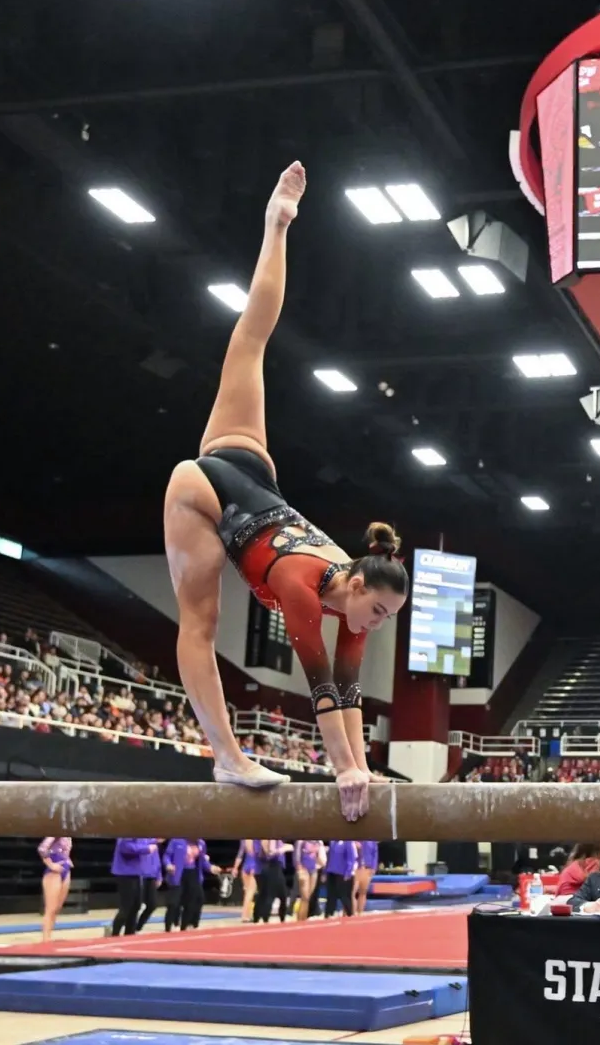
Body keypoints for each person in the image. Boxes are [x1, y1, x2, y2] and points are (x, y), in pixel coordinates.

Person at [163, 161, 409, 822]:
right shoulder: (305, 585)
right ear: (357, 588)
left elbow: (350, 692)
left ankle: (274, 226)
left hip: (245, 467)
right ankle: (224, 752)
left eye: (384, 619)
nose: (377, 627)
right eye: (380, 614)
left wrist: (360, 768)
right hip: (201, 494)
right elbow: (320, 684)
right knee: (201, 622)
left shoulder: (355, 601)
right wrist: (345, 770)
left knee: (250, 341)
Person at [163, 839, 219, 932]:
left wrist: (211, 867)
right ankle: (169, 926)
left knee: (192, 902)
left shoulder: (201, 843)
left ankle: (185, 926)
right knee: (174, 902)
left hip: (193, 873)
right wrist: (168, 865)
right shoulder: (176, 841)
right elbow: (166, 856)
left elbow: (203, 860)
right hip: (178, 873)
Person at [110, 838, 162, 936]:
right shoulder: (127, 834)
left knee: (136, 906)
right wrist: (146, 849)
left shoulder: (140, 835)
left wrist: (155, 840)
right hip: (125, 873)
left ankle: (130, 933)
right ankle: (114, 934)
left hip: (137, 873)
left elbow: (147, 841)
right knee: (126, 907)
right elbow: (124, 847)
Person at [38, 837, 73, 943]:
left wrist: (68, 860)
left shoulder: (68, 834)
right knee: (51, 908)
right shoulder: (56, 831)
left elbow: (64, 850)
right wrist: (51, 864)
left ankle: (49, 936)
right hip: (54, 872)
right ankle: (45, 940)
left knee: (57, 908)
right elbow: (42, 848)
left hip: (65, 869)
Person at [254, 840, 292, 923]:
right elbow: (269, 854)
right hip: (271, 866)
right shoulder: (268, 839)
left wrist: (284, 847)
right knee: (269, 895)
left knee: (282, 895)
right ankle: (264, 919)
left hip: (277, 867)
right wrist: (281, 849)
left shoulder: (277, 839)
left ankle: (280, 918)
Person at [325, 840, 358, 917]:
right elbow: (329, 857)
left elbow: (351, 858)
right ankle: (328, 914)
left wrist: (348, 872)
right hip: (331, 871)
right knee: (331, 895)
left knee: (344, 895)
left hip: (342, 872)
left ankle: (350, 914)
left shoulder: (348, 842)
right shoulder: (332, 842)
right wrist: (325, 871)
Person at [294, 840, 324, 920]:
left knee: (308, 898)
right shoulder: (300, 841)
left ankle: (304, 919)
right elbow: (296, 857)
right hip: (304, 869)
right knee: (305, 897)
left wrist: (323, 868)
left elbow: (317, 856)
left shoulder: (317, 841)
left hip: (313, 869)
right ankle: (299, 920)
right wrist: (299, 869)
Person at [231, 839, 260, 923]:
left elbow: (240, 854)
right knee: (250, 892)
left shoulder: (244, 840)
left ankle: (247, 914)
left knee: (247, 892)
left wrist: (235, 867)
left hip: (245, 866)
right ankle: (245, 916)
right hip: (254, 866)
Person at [354, 840, 379, 914]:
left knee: (363, 892)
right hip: (356, 868)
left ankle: (360, 912)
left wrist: (374, 867)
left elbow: (375, 854)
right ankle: (351, 912)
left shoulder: (372, 841)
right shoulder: (354, 840)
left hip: (367, 868)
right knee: (352, 892)